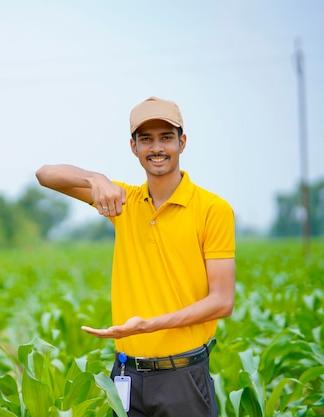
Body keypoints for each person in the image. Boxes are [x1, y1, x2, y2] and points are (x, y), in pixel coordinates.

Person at [35, 96, 235, 417]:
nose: (157, 147)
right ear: (134, 146)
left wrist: (149, 326)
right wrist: (95, 178)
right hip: (127, 377)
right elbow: (45, 174)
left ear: (182, 142)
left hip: (182, 377)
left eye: (166, 137)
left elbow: (222, 301)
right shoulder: (122, 202)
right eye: (146, 139)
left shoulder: (212, 209)